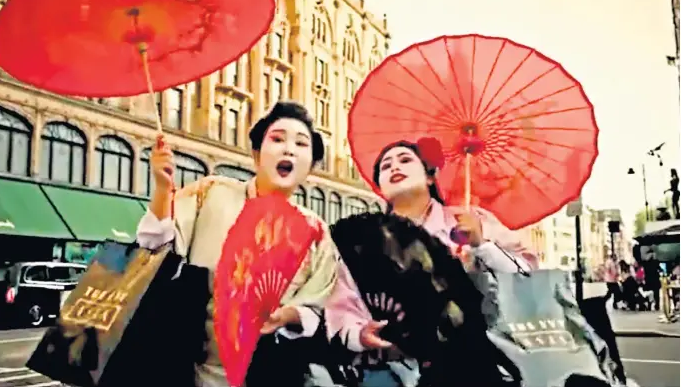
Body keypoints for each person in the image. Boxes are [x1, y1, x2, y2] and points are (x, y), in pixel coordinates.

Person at [136, 101, 339, 387]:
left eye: (301, 144)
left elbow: (316, 308)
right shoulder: (211, 193)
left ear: (311, 167)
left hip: (272, 372)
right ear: (256, 154)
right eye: (277, 139)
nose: (289, 149)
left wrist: (287, 315)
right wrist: (162, 188)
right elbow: (151, 243)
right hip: (194, 371)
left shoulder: (316, 231)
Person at [325, 138, 537, 387]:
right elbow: (341, 301)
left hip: (472, 362)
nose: (394, 167)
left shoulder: (470, 221)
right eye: (385, 166)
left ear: (429, 176)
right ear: (380, 187)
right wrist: (359, 333)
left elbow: (527, 277)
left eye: (405, 160)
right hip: (388, 369)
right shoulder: (365, 239)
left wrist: (482, 246)